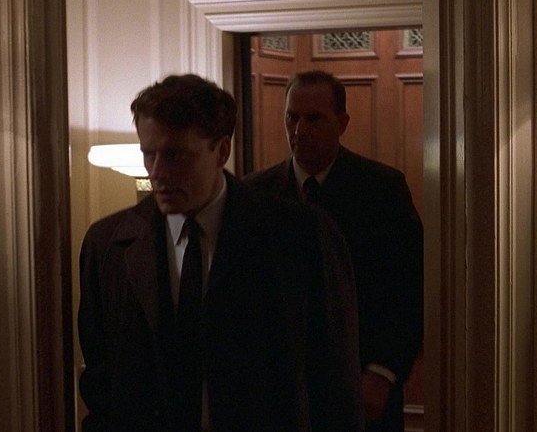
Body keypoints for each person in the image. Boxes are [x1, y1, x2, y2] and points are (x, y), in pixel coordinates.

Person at [78, 74, 362, 431]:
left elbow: (334, 382)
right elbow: (101, 385)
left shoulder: (300, 237)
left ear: (222, 151)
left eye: (175, 155)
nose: (158, 173)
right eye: (148, 154)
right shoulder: (108, 245)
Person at [244, 70, 424, 432]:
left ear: (341, 123)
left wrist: (384, 371)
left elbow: (410, 288)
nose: (299, 130)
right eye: (292, 117)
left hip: (362, 383)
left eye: (314, 119)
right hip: (279, 391)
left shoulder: (381, 190)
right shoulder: (254, 194)